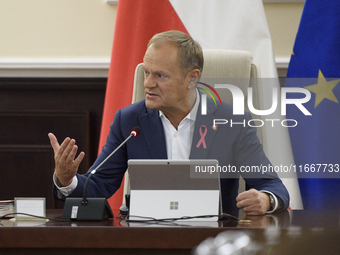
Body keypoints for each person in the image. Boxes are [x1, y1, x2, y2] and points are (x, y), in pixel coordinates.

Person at [49, 30, 289, 215]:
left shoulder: (230, 121)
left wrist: (265, 199)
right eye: (147, 73)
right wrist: (67, 180)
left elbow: (272, 185)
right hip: (148, 238)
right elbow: (98, 184)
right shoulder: (129, 121)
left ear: (191, 78)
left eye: (160, 75)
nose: (148, 84)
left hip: (212, 239)